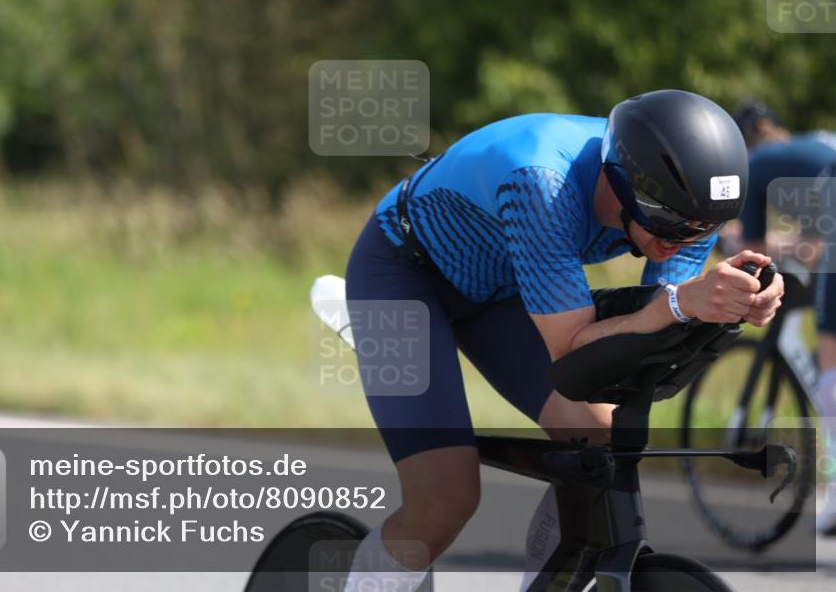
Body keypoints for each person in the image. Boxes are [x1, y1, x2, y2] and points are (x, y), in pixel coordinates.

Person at [341, 89, 785, 592]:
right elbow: (574, 348)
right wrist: (679, 303)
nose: (684, 241)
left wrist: (733, 307)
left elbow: (659, 324)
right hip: (404, 275)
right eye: (668, 225)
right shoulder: (541, 182)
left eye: (703, 229)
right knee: (445, 498)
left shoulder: (687, 200)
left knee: (600, 441)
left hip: (506, 289)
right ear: (620, 183)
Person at [728, 101, 836, 536]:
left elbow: (754, 257)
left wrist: (728, 240)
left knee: (830, 365)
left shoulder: (754, 165)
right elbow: (810, 247)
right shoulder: (809, 147)